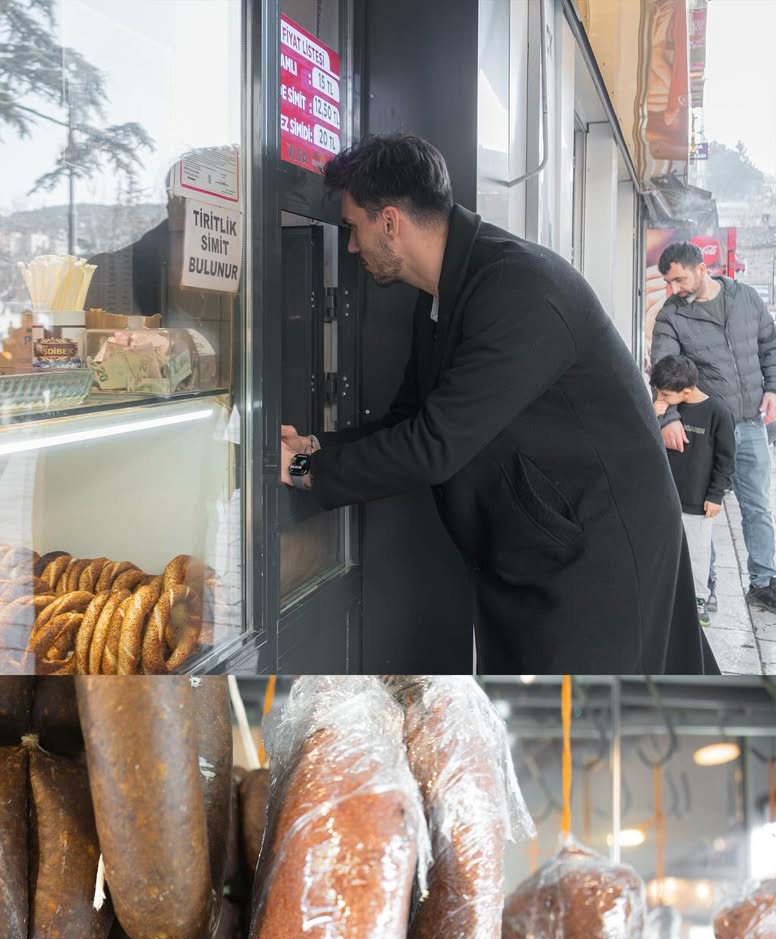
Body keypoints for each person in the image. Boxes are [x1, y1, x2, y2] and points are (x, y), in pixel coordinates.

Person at [280, 134, 713, 674]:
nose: (350, 247)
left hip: (598, 558)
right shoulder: (447, 292)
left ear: (390, 221)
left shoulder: (518, 289)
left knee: (581, 739)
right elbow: (410, 420)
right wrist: (316, 446)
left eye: (353, 228)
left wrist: (303, 469)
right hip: (541, 546)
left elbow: (434, 445)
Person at [651, 241, 776, 614]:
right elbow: (662, 371)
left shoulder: (747, 299)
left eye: (678, 279)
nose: (673, 289)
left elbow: (770, 346)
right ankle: (705, 587)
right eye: (668, 282)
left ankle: (765, 581)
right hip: (701, 428)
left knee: (757, 505)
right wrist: (669, 418)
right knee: (701, 511)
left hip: (750, 422)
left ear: (701, 267)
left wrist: (772, 387)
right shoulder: (671, 316)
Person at [650, 354, 735, 627]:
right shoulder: (667, 411)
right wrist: (657, 414)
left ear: (686, 391)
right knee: (665, 548)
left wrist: (715, 495)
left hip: (698, 501)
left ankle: (698, 598)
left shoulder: (718, 413)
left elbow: (726, 458)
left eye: (664, 393)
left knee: (697, 553)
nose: (660, 397)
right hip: (666, 496)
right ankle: (666, 596)